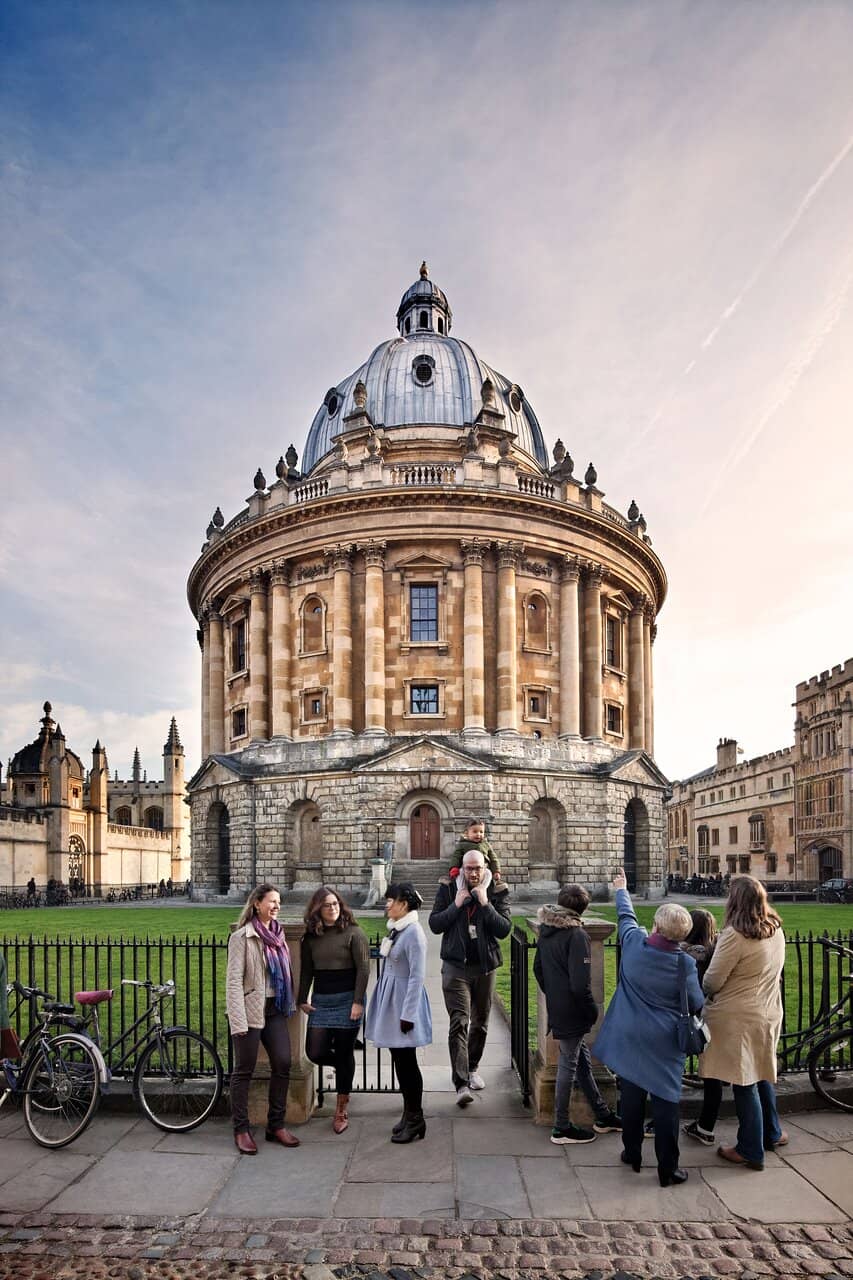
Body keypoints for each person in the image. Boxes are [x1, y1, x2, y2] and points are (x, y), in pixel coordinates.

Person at [593, 867, 702, 1187]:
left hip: (630, 1035)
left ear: (655, 925)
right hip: (664, 1040)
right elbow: (696, 1001)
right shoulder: (685, 964)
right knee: (667, 1102)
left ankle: (632, 1153)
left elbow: (626, 917)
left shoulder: (634, 944)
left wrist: (621, 889)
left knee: (631, 1098)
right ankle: (668, 1169)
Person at [699, 875, 787, 1170]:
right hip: (768, 1012)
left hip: (737, 1018)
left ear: (734, 901)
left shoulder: (735, 936)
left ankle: (750, 1149)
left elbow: (712, 981)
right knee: (761, 1073)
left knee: (743, 1081)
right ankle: (772, 1133)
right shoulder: (775, 929)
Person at [533, 884, 622, 1144]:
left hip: (559, 1007)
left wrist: (554, 994)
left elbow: (538, 969)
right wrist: (591, 1009)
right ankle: (561, 1127)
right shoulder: (576, 935)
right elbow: (580, 984)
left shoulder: (547, 930)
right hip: (573, 1010)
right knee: (568, 1066)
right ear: (583, 909)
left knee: (581, 1061)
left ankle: (603, 1114)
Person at [429, 848, 512, 1106]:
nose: (473, 873)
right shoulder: (447, 889)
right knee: (459, 1022)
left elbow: (504, 929)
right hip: (455, 967)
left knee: (480, 1023)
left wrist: (486, 903)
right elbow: (435, 924)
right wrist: (456, 905)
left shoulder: (497, 890)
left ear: (485, 867)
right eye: (469, 868)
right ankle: (461, 1084)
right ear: (462, 869)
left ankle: (472, 1067)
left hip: (484, 967)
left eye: (477, 868)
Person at [225, 883, 299, 1154]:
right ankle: (241, 1129)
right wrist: (238, 1021)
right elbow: (233, 981)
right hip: (250, 1011)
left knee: (283, 1063)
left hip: (274, 1008)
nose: (277, 906)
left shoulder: (278, 935)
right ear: (257, 903)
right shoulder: (242, 937)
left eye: (279, 901)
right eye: (272, 901)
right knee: (244, 1069)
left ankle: (275, 1125)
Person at [298, 885, 370, 1134]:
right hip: (322, 1000)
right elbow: (307, 970)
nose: (333, 908)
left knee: (344, 1051)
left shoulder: (353, 932)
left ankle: (341, 1109)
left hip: (348, 999)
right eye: (327, 905)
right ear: (318, 909)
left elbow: (364, 969)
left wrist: (358, 1002)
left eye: (336, 904)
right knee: (315, 1052)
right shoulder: (310, 938)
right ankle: (344, 1066)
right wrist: (302, 998)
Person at [365, 881, 432, 1143]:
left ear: (403, 904)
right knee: (400, 1061)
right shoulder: (398, 929)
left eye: (390, 900)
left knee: (407, 1063)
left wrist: (408, 1015)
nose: (387, 904)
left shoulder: (414, 933)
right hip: (393, 1000)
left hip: (404, 1003)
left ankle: (416, 1119)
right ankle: (409, 1114)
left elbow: (417, 977)